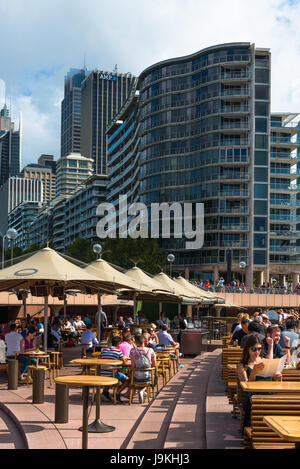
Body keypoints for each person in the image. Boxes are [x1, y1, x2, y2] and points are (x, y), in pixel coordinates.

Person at [236, 334, 282, 429]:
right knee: (252, 402)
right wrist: (253, 373)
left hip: (268, 394)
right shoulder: (242, 365)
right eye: (254, 349)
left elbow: (273, 383)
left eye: (259, 349)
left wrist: (277, 379)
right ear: (248, 349)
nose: (257, 352)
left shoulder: (265, 361)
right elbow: (246, 387)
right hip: (252, 396)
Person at [100, 335, 129, 403]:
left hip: (102, 373)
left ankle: (105, 393)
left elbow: (100, 358)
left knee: (110, 373)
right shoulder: (118, 351)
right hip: (111, 373)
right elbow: (125, 363)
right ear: (119, 344)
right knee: (128, 380)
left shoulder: (104, 350)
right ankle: (117, 394)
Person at [129, 334, 156, 403]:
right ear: (144, 341)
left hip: (136, 377)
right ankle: (143, 390)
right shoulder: (150, 350)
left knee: (134, 376)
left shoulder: (132, 351)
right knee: (152, 376)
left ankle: (141, 391)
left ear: (136, 342)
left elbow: (132, 366)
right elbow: (154, 365)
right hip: (147, 376)